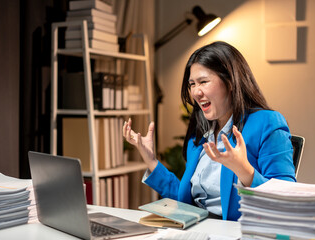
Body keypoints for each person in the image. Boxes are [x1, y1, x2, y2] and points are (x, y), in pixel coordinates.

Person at [122, 41, 296, 221]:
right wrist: (151, 161)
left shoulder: (266, 123)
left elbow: (286, 201)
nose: (196, 92)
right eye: (192, 84)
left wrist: (244, 170)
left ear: (230, 82)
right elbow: (187, 203)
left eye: (203, 82)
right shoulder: (199, 137)